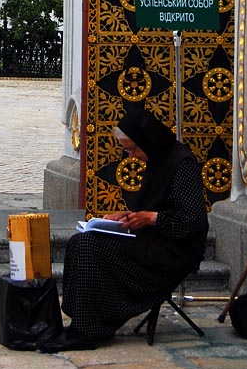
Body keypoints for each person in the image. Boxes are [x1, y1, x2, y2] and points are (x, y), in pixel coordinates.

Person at [42, 107, 209, 352]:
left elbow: (193, 222)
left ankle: (86, 331)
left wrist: (152, 219)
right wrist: (126, 217)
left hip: (174, 250)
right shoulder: (157, 159)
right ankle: (88, 322)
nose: (131, 156)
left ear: (148, 141)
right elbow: (154, 204)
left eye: (133, 149)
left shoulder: (182, 164)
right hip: (153, 240)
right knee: (80, 241)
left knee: (90, 248)